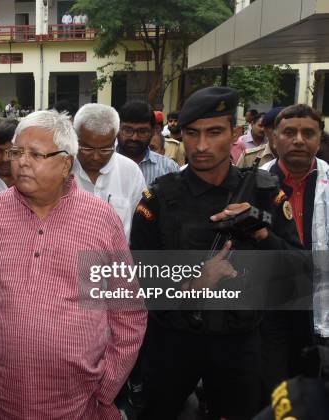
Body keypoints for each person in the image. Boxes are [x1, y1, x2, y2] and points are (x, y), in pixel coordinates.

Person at [0, 110, 147, 419]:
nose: (21, 161)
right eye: (17, 152)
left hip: (81, 399)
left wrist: (109, 383)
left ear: (66, 163)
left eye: (35, 154)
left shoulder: (99, 220)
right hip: (3, 395)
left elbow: (127, 311)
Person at [130, 86, 305, 419]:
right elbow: (139, 280)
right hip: (173, 343)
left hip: (242, 344)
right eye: (192, 134)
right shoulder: (159, 199)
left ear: (235, 133)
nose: (201, 146)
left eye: (214, 132)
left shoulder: (264, 193)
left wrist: (261, 231)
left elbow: (298, 269)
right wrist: (194, 283)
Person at [259, 104, 328, 391]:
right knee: (272, 387)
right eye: (289, 132)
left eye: (308, 133)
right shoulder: (253, 182)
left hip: (318, 299)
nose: (299, 139)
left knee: (313, 389)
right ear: (274, 139)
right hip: (270, 305)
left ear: (319, 139)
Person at [72, 103, 146, 239]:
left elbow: (141, 219)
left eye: (105, 150)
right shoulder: (62, 169)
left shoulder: (131, 172)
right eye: (87, 149)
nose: (96, 157)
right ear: (75, 139)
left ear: (115, 140)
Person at [117, 101, 180, 185]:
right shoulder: (102, 164)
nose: (134, 137)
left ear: (153, 131)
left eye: (142, 131)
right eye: (128, 130)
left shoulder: (169, 169)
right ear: (117, 129)